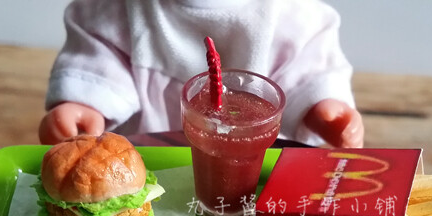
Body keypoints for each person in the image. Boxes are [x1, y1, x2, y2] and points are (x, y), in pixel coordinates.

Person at [38, 0, 364, 149]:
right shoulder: (122, 7)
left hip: (256, 166)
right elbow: (99, 54)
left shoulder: (291, 12)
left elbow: (308, 64)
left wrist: (321, 108)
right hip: (154, 157)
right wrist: (86, 103)